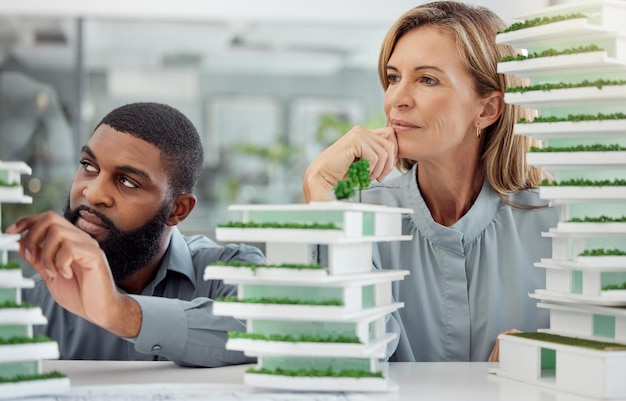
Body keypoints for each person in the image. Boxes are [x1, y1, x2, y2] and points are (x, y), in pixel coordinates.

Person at [302, 1, 559, 362]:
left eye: (427, 79)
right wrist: (321, 191)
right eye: (393, 78)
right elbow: (346, 355)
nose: (396, 100)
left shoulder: (558, 222)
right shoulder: (358, 213)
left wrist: (556, 357)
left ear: (487, 109)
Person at [6, 102, 265, 367]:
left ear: (178, 209)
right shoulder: (32, 300)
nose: (93, 193)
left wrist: (121, 313)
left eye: (127, 182)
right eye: (88, 165)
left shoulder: (228, 272)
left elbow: (268, 329)